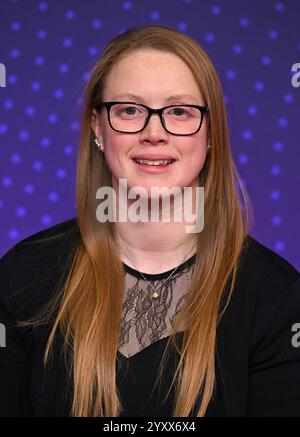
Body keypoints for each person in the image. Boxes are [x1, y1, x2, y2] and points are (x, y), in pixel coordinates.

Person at [0, 24, 300, 418]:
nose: (153, 132)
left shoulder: (276, 295)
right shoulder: (23, 275)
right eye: (129, 110)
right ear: (97, 128)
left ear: (210, 134)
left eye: (179, 111)